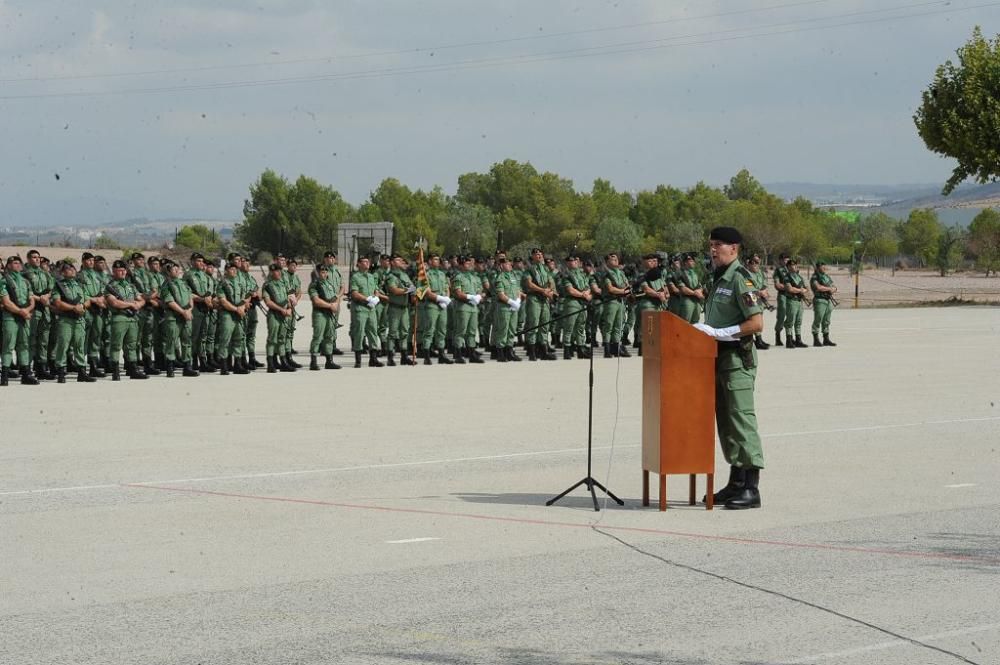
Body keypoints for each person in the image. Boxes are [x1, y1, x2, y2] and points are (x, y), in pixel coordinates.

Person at [692, 226, 765, 509]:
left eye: (718, 245)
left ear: (734, 248)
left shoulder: (740, 279)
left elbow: (756, 324)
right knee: (726, 422)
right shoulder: (718, 278)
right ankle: (736, 482)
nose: (712, 249)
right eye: (711, 244)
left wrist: (719, 333)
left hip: (737, 360)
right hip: (718, 359)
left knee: (741, 419)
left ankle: (751, 488)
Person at [50, 261, 96, 383]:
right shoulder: (59, 285)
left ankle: (81, 372)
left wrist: (82, 307)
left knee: (79, 346)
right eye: (68, 269)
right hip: (66, 320)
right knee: (63, 345)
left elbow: (87, 300)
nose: (71, 270)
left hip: (79, 320)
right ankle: (60, 372)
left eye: (72, 268)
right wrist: (72, 308)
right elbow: (57, 302)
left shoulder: (80, 285)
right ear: (63, 273)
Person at [104, 259, 147, 380]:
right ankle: (115, 371)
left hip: (132, 319)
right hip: (119, 318)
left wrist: (139, 304)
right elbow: (114, 303)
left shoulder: (130, 286)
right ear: (114, 271)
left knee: (132, 345)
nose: (123, 273)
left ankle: (133, 369)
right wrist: (131, 304)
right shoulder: (111, 286)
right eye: (119, 270)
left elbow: (141, 298)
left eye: (124, 270)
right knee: (116, 345)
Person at [1, 255, 40, 385]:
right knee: (8, 345)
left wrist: (27, 310)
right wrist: (21, 311)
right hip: (10, 316)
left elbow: (32, 300)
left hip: (24, 316)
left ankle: (25, 374)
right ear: (8, 266)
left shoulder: (25, 281)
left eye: (18, 263)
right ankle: (4, 375)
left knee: (24, 345)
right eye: (14, 263)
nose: (17, 265)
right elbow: (6, 302)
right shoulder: (4, 280)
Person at [160, 261, 200, 378]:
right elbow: (169, 301)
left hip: (186, 315)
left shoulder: (183, 284)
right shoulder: (166, 285)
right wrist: (183, 312)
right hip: (173, 316)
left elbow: (190, 297)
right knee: (171, 341)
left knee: (187, 341)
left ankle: (187, 366)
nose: (177, 271)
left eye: (178, 269)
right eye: (174, 269)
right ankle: (170, 367)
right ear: (168, 272)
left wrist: (189, 310)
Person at [521, 248, 557, 361]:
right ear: (532, 257)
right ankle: (532, 352)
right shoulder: (529, 270)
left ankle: (544, 351)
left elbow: (551, 281)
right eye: (536, 254)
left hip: (544, 299)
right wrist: (542, 290)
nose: (539, 256)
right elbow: (529, 284)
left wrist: (549, 290)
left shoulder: (545, 269)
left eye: (541, 254)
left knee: (544, 325)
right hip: (534, 299)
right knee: (534, 325)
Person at [417, 253, 453, 365]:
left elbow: (447, 288)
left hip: (442, 306)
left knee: (442, 330)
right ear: (429, 262)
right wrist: (440, 299)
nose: (437, 261)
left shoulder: (443, 274)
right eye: (434, 259)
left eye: (438, 259)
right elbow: (426, 292)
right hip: (432, 305)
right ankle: (426, 356)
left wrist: (446, 298)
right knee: (429, 330)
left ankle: (442, 355)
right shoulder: (425, 275)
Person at [349, 255, 384, 368]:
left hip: (371, 309)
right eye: (364, 262)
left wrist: (376, 297)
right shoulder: (355, 277)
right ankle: (358, 360)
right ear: (358, 264)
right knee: (359, 333)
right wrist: (366, 299)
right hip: (360, 309)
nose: (367, 263)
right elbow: (354, 293)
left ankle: (373, 359)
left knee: (373, 332)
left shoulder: (371, 276)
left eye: (367, 261)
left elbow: (376, 290)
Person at [383, 253, 418, 366]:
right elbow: (393, 290)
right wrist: (407, 290)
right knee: (393, 333)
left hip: (405, 308)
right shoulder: (391, 276)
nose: (401, 262)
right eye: (398, 260)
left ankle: (404, 356)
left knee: (404, 332)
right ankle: (390, 357)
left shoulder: (405, 275)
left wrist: (414, 294)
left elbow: (411, 287)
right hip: (395, 307)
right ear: (392, 262)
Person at [307, 264, 342, 370]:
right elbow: (316, 301)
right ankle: (313, 362)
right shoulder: (314, 285)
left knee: (329, 337)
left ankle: (329, 361)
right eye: (322, 271)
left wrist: (335, 304)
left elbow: (335, 296)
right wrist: (330, 306)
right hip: (320, 313)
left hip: (330, 314)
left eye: (326, 271)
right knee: (318, 337)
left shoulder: (329, 284)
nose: (325, 273)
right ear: (317, 273)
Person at [262, 262, 296, 373]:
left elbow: (291, 298)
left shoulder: (284, 284)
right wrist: (282, 310)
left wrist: (290, 308)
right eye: (274, 271)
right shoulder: (267, 285)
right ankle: (271, 363)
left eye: (278, 270)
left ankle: (283, 362)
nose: (276, 273)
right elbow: (268, 302)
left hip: (286, 313)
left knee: (282, 339)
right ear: (271, 272)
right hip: (274, 314)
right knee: (272, 339)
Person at [450, 255, 485, 364]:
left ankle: (471, 353)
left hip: (473, 307)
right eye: (467, 263)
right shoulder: (458, 277)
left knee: (472, 331)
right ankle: (458, 353)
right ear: (460, 264)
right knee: (461, 331)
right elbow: (458, 293)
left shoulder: (474, 277)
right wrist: (470, 297)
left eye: (470, 263)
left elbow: (480, 290)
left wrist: (479, 296)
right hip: (463, 307)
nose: (470, 265)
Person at [600, 253, 631, 358]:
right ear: (607, 262)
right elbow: (610, 288)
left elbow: (627, 285)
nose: (615, 260)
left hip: (621, 301)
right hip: (611, 301)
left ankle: (616, 347)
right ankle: (607, 349)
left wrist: (626, 291)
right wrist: (622, 291)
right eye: (612, 259)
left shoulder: (621, 273)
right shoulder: (606, 274)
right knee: (609, 325)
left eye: (616, 259)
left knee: (618, 325)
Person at [492, 255, 521, 362]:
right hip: (504, 307)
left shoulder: (513, 276)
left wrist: (517, 301)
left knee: (512, 329)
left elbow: (518, 290)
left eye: (510, 263)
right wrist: (511, 302)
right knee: (503, 330)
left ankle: (509, 352)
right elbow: (500, 294)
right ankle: (500, 353)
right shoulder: (500, 278)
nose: (510, 265)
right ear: (502, 265)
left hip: (513, 307)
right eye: (507, 263)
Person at [745, 254, 771, 350]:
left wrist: (764, 292)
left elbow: (764, 284)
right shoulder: (746, 274)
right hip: (750, 298)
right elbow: (748, 288)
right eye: (753, 262)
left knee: (759, 318)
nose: (756, 264)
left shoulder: (760, 273)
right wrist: (760, 292)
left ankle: (759, 339)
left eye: (757, 262)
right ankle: (754, 341)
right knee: (752, 319)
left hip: (760, 299)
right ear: (749, 263)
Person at [782, 259, 809, 349]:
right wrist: (800, 290)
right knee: (790, 321)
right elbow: (790, 289)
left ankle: (798, 340)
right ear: (788, 267)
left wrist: (803, 290)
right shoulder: (787, 277)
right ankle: (789, 340)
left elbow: (806, 288)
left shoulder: (799, 277)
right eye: (792, 265)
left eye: (795, 264)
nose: (795, 266)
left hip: (799, 301)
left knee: (798, 321)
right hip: (791, 301)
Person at [810, 261, 838, 347]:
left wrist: (833, 289)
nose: (824, 268)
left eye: (824, 266)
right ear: (818, 268)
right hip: (820, 300)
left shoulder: (826, 276)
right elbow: (818, 287)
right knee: (818, 319)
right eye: (822, 267)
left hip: (828, 300)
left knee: (827, 320)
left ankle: (826, 338)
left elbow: (834, 286)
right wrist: (829, 289)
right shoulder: (815, 277)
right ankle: (816, 339)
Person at [772, 253, 790, 346]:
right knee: (781, 316)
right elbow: (777, 285)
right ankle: (778, 335)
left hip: (793, 296)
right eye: (783, 259)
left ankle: (790, 337)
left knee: (792, 316)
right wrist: (788, 287)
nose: (785, 261)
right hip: (783, 295)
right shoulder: (778, 271)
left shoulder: (793, 269)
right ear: (780, 260)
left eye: (787, 259)